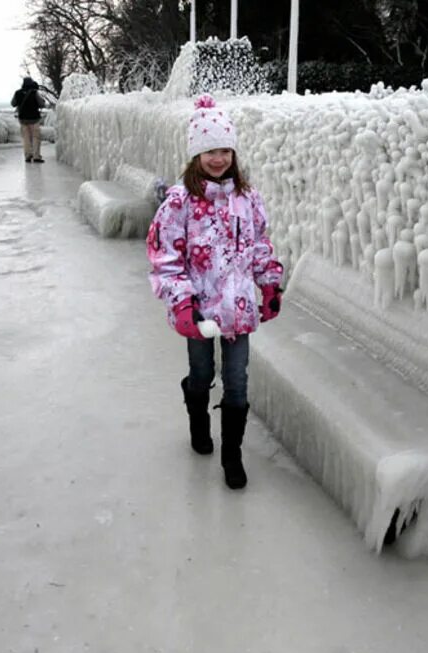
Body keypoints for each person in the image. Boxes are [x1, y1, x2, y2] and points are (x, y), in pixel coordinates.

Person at [146, 94, 285, 490]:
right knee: (203, 372)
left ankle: (233, 456)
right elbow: (165, 257)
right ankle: (197, 418)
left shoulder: (247, 198)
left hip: (239, 308)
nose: (219, 158)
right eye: (210, 150)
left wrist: (269, 282)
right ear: (196, 154)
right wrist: (182, 303)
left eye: (225, 149)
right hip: (200, 312)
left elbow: (259, 244)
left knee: (237, 383)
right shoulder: (180, 203)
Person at [10, 77, 45, 163]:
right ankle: (36, 156)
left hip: (23, 120)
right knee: (36, 138)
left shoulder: (17, 93)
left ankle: (28, 156)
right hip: (34, 119)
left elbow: (13, 103)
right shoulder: (34, 92)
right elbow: (41, 104)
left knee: (26, 139)